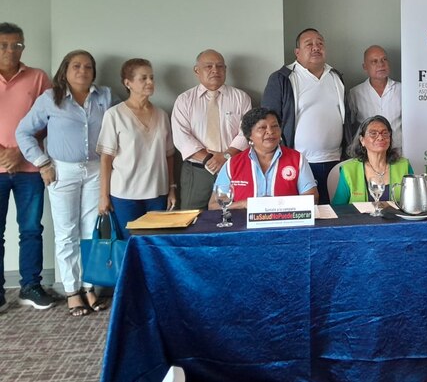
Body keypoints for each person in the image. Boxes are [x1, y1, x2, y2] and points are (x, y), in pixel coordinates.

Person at [16, 50, 111, 316]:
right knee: (66, 233)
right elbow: (23, 132)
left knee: (91, 231)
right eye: (76, 66)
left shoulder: (104, 96)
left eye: (88, 66)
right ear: (65, 71)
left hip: (96, 170)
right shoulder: (50, 99)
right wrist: (42, 162)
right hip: (62, 171)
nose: (83, 71)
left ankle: (89, 287)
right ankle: (72, 290)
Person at [0, 22, 55, 312]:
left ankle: (31, 286)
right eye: (4, 45)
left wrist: (20, 151)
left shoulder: (37, 78)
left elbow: (49, 120)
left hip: (30, 168)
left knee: (32, 229)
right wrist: (4, 153)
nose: (12, 50)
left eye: (17, 44)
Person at [261, 28, 350, 204]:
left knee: (335, 214)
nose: (316, 47)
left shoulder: (335, 77)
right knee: (306, 215)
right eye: (309, 44)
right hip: (299, 163)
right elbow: (267, 121)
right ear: (297, 52)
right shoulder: (282, 78)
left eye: (320, 43)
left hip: (336, 161)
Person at [97, 59, 176, 239]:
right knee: (129, 245)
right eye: (143, 78)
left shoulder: (162, 115)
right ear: (128, 83)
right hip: (125, 194)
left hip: (157, 192)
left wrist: (172, 188)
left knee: (155, 245)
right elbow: (106, 158)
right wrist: (103, 196)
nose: (150, 82)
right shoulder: (114, 115)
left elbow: (169, 156)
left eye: (152, 78)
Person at [171, 49, 252, 210]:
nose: (215, 70)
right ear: (197, 71)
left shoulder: (241, 98)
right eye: (209, 66)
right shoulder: (185, 100)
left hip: (232, 168)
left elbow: (246, 132)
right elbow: (182, 137)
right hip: (197, 171)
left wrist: (226, 156)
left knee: (232, 215)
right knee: (193, 217)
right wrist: (209, 159)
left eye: (220, 66)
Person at [209, 107, 317, 209]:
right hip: (244, 225)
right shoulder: (232, 164)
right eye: (262, 128)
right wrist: (243, 204)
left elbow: (312, 198)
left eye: (275, 126)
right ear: (249, 134)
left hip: (285, 223)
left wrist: (279, 205)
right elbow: (214, 205)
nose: (270, 132)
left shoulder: (297, 159)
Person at [332, 115, 412, 205]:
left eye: (385, 133)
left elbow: (414, 202)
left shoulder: (404, 165)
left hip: (397, 219)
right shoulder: (349, 170)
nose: (380, 137)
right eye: (373, 133)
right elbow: (337, 208)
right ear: (362, 140)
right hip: (360, 219)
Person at [348, 45, 402, 153]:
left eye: (384, 60)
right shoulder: (355, 93)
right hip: (368, 156)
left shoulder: (402, 90)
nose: (381, 64)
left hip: (398, 153)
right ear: (365, 67)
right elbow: (350, 128)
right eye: (374, 61)